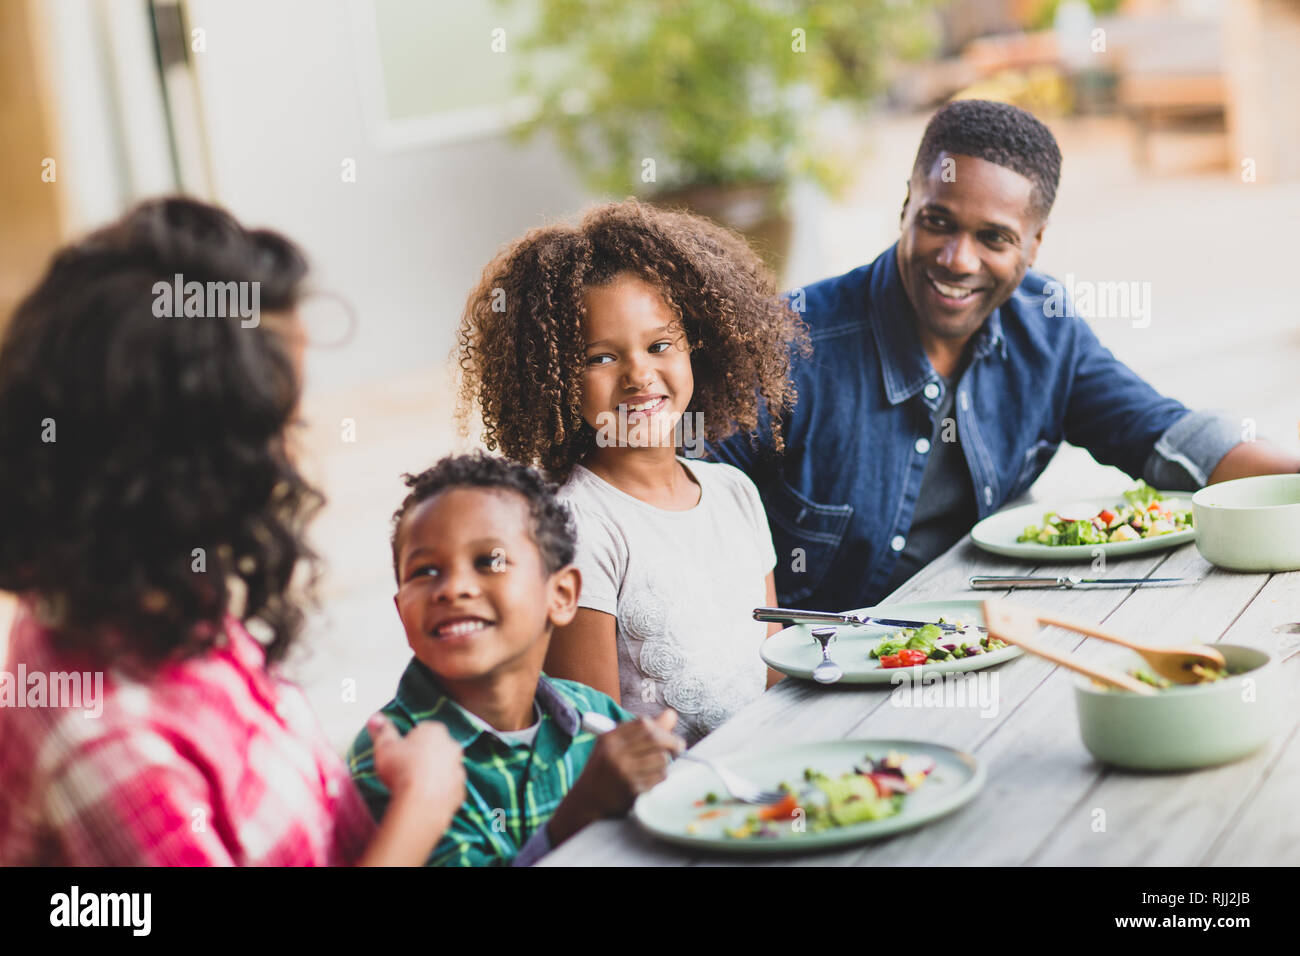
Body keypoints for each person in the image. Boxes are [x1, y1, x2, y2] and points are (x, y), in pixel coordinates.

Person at [0, 197, 464, 865]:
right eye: (279, 428)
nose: (295, 460)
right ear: (179, 463)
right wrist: (420, 809)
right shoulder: (105, 742)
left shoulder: (160, 596)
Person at [709, 99, 1300, 612]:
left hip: (983, 639)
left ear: (1034, 244)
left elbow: (1170, 440)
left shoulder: (1046, 331)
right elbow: (672, 502)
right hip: (811, 673)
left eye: (993, 238)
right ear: (906, 205)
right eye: (937, 222)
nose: (958, 259)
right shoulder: (788, 344)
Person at [455, 200, 806, 744]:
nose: (639, 374)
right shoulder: (577, 527)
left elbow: (776, 673)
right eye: (600, 357)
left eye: (659, 345)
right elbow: (596, 743)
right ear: (552, 379)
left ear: (698, 347)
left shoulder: (734, 492)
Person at [346, 452, 683, 866]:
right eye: (425, 571)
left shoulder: (595, 717)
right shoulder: (394, 757)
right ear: (402, 611)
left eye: (490, 561)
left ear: (560, 596)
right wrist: (576, 817)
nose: (453, 589)